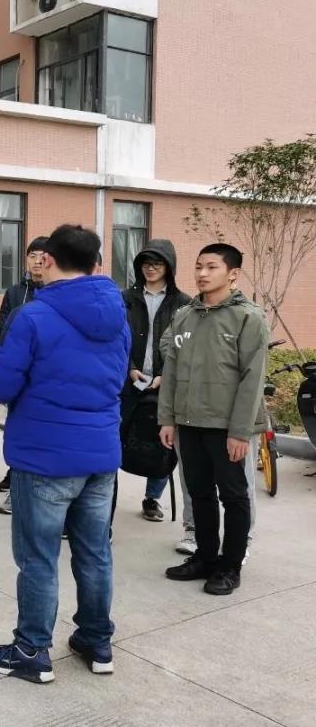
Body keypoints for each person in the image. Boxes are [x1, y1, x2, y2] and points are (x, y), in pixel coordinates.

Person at [0, 225, 129, 684]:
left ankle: (30, 649)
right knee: (95, 553)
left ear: (47, 259)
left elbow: (2, 388)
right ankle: (96, 641)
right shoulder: (117, 315)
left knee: (38, 557)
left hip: (45, 456)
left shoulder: (33, 316)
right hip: (100, 453)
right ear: (97, 263)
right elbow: (117, 376)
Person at [159, 243, 269, 597]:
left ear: (232, 274)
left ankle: (230, 566)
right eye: (198, 266)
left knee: (234, 496)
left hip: (226, 427)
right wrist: (167, 418)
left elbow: (253, 379)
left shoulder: (248, 318)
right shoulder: (185, 315)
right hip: (189, 422)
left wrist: (240, 431)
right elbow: (171, 370)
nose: (202, 273)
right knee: (199, 493)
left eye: (211, 267)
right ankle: (206, 557)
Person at [120, 239, 193, 522]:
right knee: (118, 436)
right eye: (146, 263)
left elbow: (186, 346)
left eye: (157, 263)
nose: (150, 268)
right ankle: (103, 497)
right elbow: (115, 338)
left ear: (169, 267)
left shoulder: (184, 303)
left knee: (163, 442)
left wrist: (166, 374)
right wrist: (129, 367)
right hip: (129, 381)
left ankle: (152, 497)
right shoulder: (124, 298)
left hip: (166, 383)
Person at [0, 236, 49, 505]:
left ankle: (29, 481)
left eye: (42, 256)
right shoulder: (15, 292)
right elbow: (2, 329)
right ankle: (15, 474)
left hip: (44, 376)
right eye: (32, 256)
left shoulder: (55, 291)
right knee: (16, 428)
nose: (37, 261)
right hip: (18, 373)